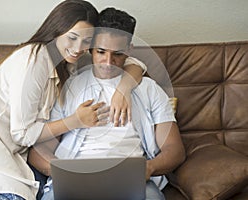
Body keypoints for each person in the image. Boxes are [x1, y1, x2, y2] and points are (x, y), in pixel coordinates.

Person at [0, 1, 147, 200]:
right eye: (72, 37)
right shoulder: (33, 62)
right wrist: (75, 121)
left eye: (87, 41)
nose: (78, 48)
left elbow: (134, 63)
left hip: (12, 151)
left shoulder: (71, 60)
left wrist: (123, 90)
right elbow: (22, 135)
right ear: (57, 30)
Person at [30, 7, 186, 200]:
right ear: (90, 47)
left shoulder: (148, 89)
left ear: (129, 50)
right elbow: (38, 152)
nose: (108, 62)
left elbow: (174, 149)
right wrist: (60, 171)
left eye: (118, 54)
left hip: (131, 179)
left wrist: (149, 168)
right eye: (101, 51)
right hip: (76, 178)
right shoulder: (67, 86)